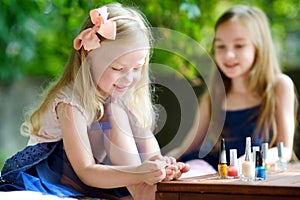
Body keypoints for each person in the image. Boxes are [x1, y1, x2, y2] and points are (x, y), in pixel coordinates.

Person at [0, 3, 190, 200]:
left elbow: (149, 149)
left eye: (137, 68)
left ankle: (143, 189)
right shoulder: (70, 103)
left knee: (116, 111)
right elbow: (86, 170)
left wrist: (162, 166)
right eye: (118, 68)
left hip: (103, 177)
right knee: (115, 112)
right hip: (57, 178)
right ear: (89, 58)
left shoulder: (120, 99)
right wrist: (139, 173)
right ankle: (141, 189)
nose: (128, 78)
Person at [168, 5, 298, 175]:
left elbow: (285, 150)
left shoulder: (279, 86)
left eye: (239, 46)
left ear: (258, 47)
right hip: (213, 170)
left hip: (254, 172)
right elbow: (188, 146)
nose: (228, 55)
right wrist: (164, 161)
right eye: (220, 46)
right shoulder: (214, 96)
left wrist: (250, 160)